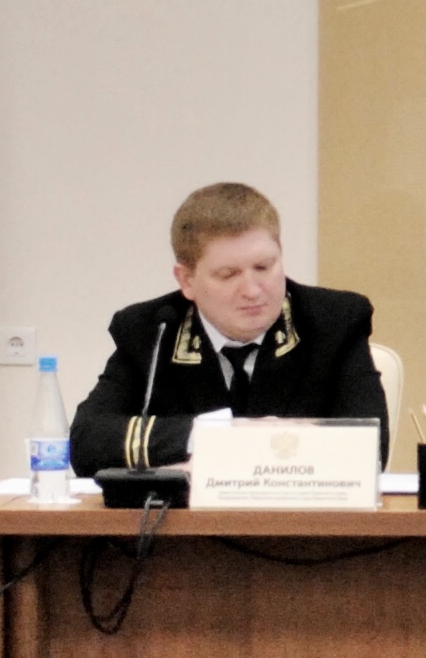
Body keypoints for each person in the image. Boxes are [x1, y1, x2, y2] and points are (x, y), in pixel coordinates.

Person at [70, 181, 387, 476]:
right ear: (187, 280)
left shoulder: (334, 323)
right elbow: (87, 442)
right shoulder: (153, 330)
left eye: (263, 267)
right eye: (228, 275)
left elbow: (368, 448)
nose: (252, 290)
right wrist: (216, 433)